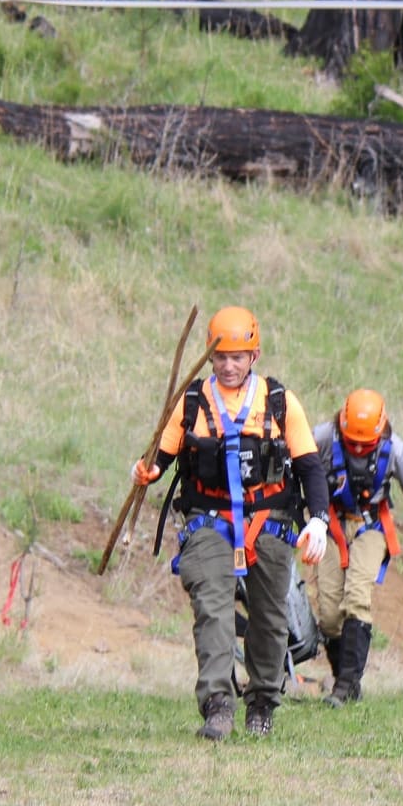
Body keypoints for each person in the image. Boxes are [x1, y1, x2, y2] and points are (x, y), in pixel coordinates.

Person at [131, 306, 331, 740]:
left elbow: (310, 466)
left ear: (254, 356)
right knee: (212, 609)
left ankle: (261, 701)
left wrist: (318, 520)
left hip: (271, 521)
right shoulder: (189, 403)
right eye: (220, 357)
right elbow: (159, 459)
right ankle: (218, 704)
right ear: (209, 356)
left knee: (269, 617)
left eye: (238, 357)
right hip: (208, 520)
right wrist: (145, 471)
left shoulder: (279, 402)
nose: (228, 365)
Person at [309, 388, 403, 708]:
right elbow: (298, 468)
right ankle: (345, 681)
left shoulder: (396, 451)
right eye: (352, 441)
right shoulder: (322, 437)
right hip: (330, 525)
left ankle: (345, 686)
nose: (358, 448)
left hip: (370, 526)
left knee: (357, 596)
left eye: (366, 444)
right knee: (330, 615)